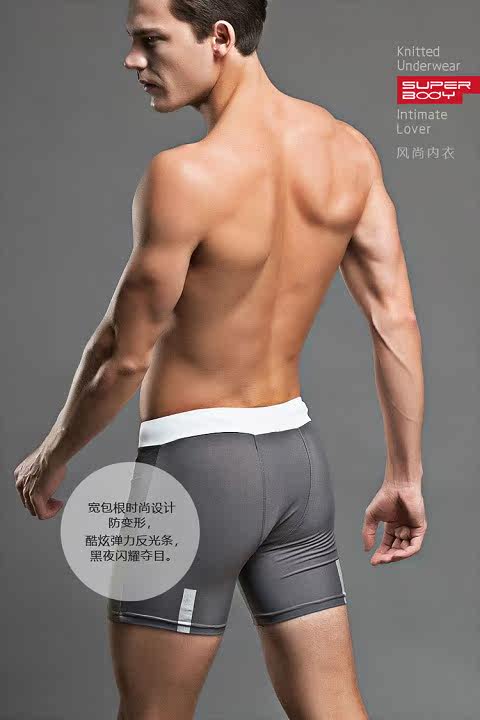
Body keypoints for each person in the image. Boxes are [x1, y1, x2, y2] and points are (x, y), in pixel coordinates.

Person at [13, 0, 427, 718]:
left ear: (220, 38)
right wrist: (405, 475)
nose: (133, 61)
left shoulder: (183, 176)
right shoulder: (349, 151)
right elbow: (395, 318)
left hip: (194, 470)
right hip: (299, 466)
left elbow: (123, 355)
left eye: (151, 41)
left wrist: (51, 456)